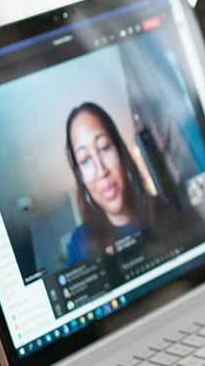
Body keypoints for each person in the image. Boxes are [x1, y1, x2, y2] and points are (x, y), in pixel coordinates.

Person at [64, 102, 164, 264]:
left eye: (104, 148)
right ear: (81, 177)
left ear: (120, 150)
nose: (101, 171)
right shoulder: (80, 243)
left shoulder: (164, 208)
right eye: (85, 160)